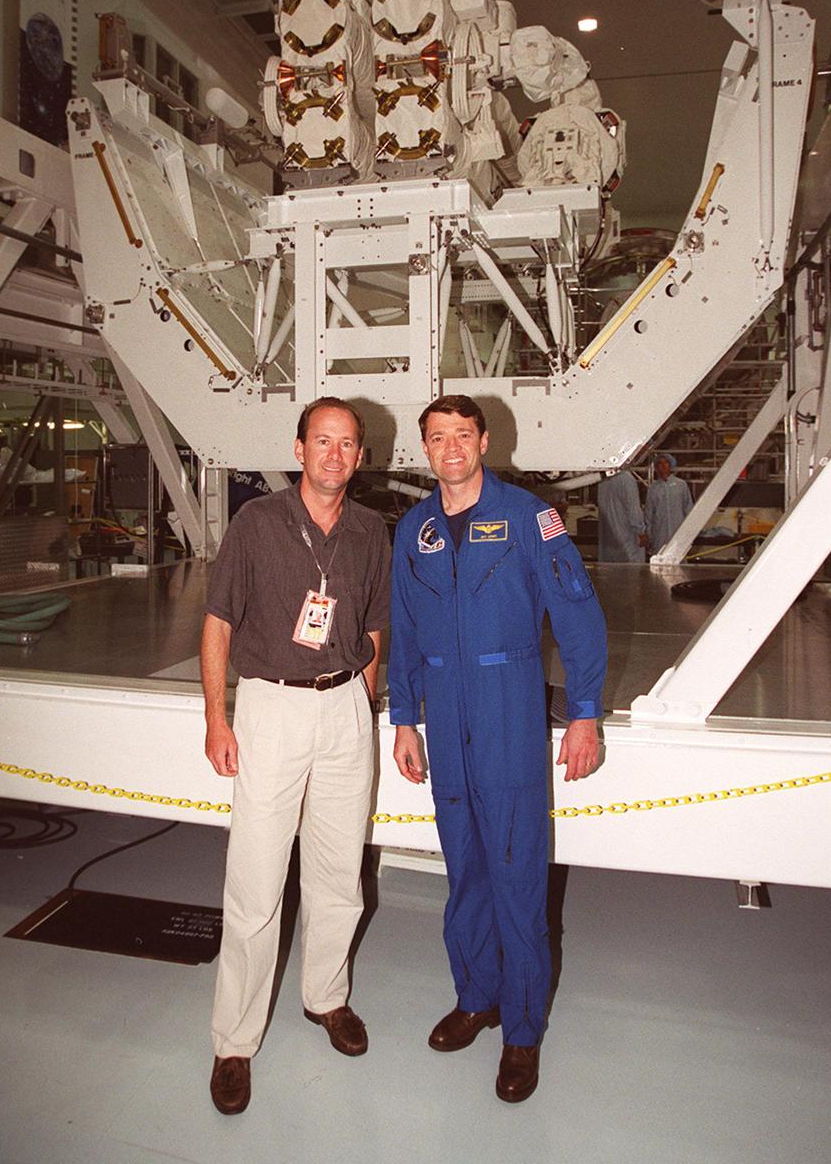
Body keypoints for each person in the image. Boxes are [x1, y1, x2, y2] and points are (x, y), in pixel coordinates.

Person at [388, 395, 607, 1104]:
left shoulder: (526, 517)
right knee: (464, 870)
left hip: (508, 701)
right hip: (443, 714)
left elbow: (576, 613)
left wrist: (583, 713)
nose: (449, 448)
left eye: (461, 434)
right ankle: (475, 996)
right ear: (424, 449)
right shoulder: (414, 529)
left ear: (483, 440)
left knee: (515, 872)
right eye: (436, 437)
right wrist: (403, 718)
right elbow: (404, 626)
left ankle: (521, 1029)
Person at [202, 398, 390, 1115]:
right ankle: (234, 1041)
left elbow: (376, 625)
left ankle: (325, 998)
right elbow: (218, 624)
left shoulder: (373, 530)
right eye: (322, 441)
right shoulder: (257, 523)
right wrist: (218, 718)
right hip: (272, 706)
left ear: (360, 456)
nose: (334, 455)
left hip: (344, 707)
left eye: (347, 444)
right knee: (255, 880)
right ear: (299, 447)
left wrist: (361, 705)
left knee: (340, 871)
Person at [645, 452, 693, 554]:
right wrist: (649, 536)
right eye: (659, 464)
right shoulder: (653, 488)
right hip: (659, 533)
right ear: (656, 468)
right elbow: (649, 515)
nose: (663, 466)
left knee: (679, 560)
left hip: (679, 531)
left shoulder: (681, 485)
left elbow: (688, 509)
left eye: (666, 463)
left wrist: (690, 532)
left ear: (670, 465)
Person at [597, 469, 645, 562]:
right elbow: (633, 510)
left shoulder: (603, 480)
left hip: (608, 541)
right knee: (630, 573)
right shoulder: (626, 479)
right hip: (627, 539)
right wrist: (641, 531)